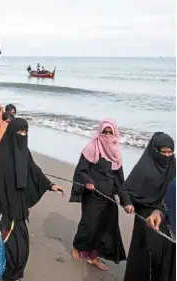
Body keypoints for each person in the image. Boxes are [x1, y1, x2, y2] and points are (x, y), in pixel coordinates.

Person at [0, 118, 64, 281]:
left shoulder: (24, 152)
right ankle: (7, 275)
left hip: (19, 206)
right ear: (11, 133)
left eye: (25, 132)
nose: (23, 135)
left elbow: (34, 170)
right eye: (19, 132)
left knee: (22, 246)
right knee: (8, 245)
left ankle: (15, 274)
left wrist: (50, 185)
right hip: (3, 208)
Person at [70, 119, 132, 271]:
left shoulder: (116, 153)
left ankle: (93, 257)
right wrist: (88, 182)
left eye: (111, 132)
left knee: (104, 229)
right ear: (100, 132)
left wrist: (126, 203)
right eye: (105, 132)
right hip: (93, 196)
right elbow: (81, 171)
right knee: (88, 225)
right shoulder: (92, 147)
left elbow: (120, 181)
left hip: (109, 198)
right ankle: (77, 246)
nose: (108, 135)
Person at [123, 132, 176, 281]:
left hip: (168, 219)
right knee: (144, 258)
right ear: (155, 151)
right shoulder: (144, 167)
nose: (167, 156)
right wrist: (127, 203)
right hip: (145, 218)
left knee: (163, 259)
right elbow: (125, 189)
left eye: (170, 152)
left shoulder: (174, 166)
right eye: (163, 152)